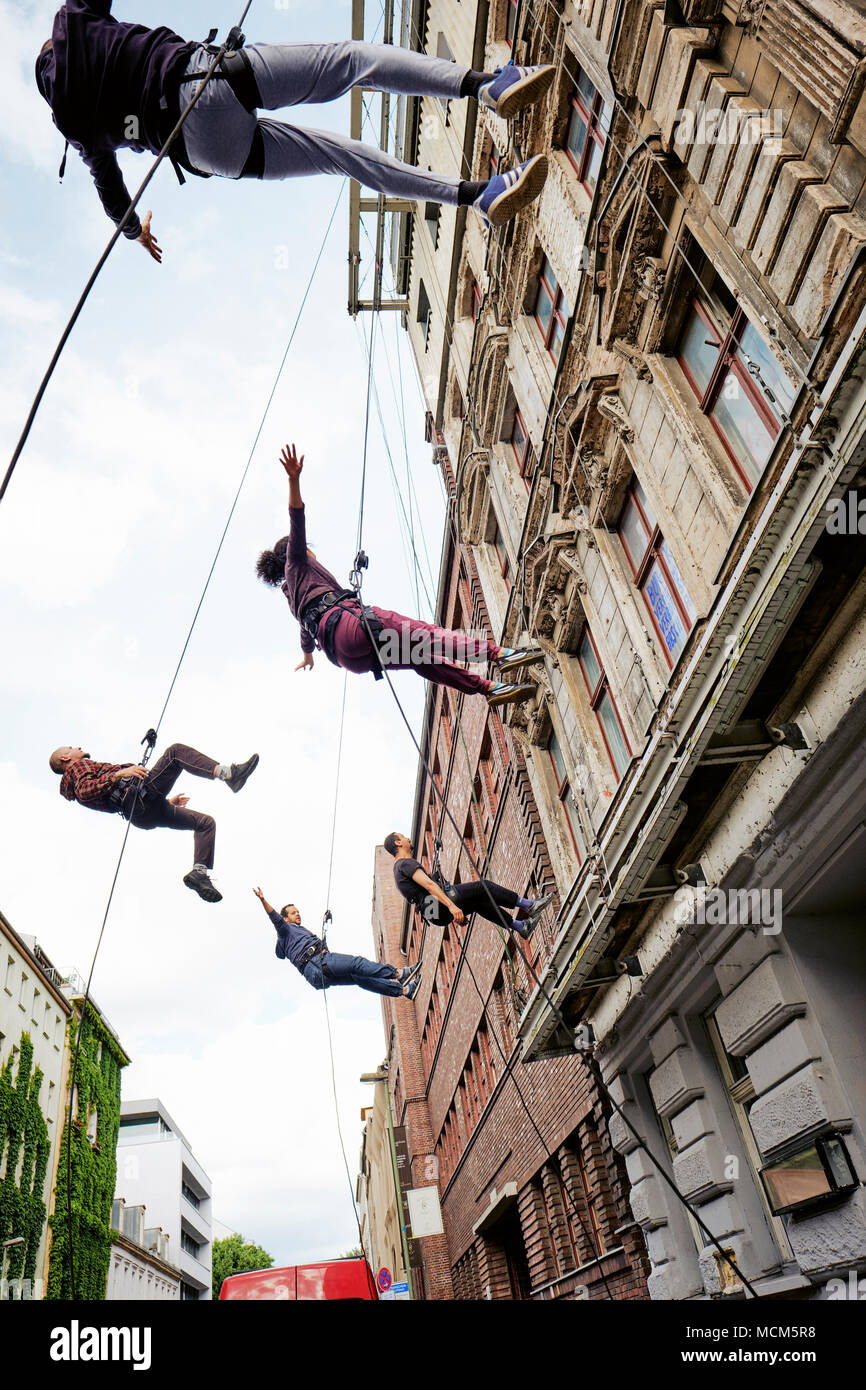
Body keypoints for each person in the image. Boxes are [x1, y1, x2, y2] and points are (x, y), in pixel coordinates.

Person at [34, 5, 556, 257]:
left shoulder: (75, 129)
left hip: (207, 152)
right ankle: (484, 86)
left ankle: (477, 195)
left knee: (341, 157)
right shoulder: (74, 20)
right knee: (351, 61)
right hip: (206, 82)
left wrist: (134, 231)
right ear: (53, 47)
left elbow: (111, 194)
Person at [256, 443, 542, 706]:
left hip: (348, 657)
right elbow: (297, 518)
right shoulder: (296, 563)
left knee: (421, 659)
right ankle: (499, 655)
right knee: (427, 635)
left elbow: (305, 635)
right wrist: (294, 479)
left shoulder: (294, 596)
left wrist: (307, 656)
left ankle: (488, 688)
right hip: (353, 628)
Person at [50, 741, 259, 902]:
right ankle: (230, 775)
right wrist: (119, 774)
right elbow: (85, 791)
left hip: (146, 809)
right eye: (71, 747)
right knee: (175, 752)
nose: (77, 747)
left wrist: (167, 802)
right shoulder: (76, 769)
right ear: (66, 757)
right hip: (139, 800)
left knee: (205, 823)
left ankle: (199, 873)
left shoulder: (80, 771)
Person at [252, 887, 422, 999]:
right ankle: (399, 974)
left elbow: (281, 954)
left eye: (298, 911)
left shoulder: (294, 935)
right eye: (293, 913)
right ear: (285, 918)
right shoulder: (285, 930)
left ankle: (405, 991)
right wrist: (263, 899)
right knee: (357, 964)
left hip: (315, 976)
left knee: (359, 978)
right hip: (316, 963)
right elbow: (275, 919)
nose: (297, 914)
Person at [383, 831, 553, 937]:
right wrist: (451, 906)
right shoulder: (405, 864)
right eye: (403, 837)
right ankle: (529, 906)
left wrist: (452, 911)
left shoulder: (397, 872)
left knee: (478, 902)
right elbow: (429, 885)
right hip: (438, 905)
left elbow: (423, 896)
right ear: (398, 843)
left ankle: (521, 927)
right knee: (483, 887)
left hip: (433, 913)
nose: (407, 838)